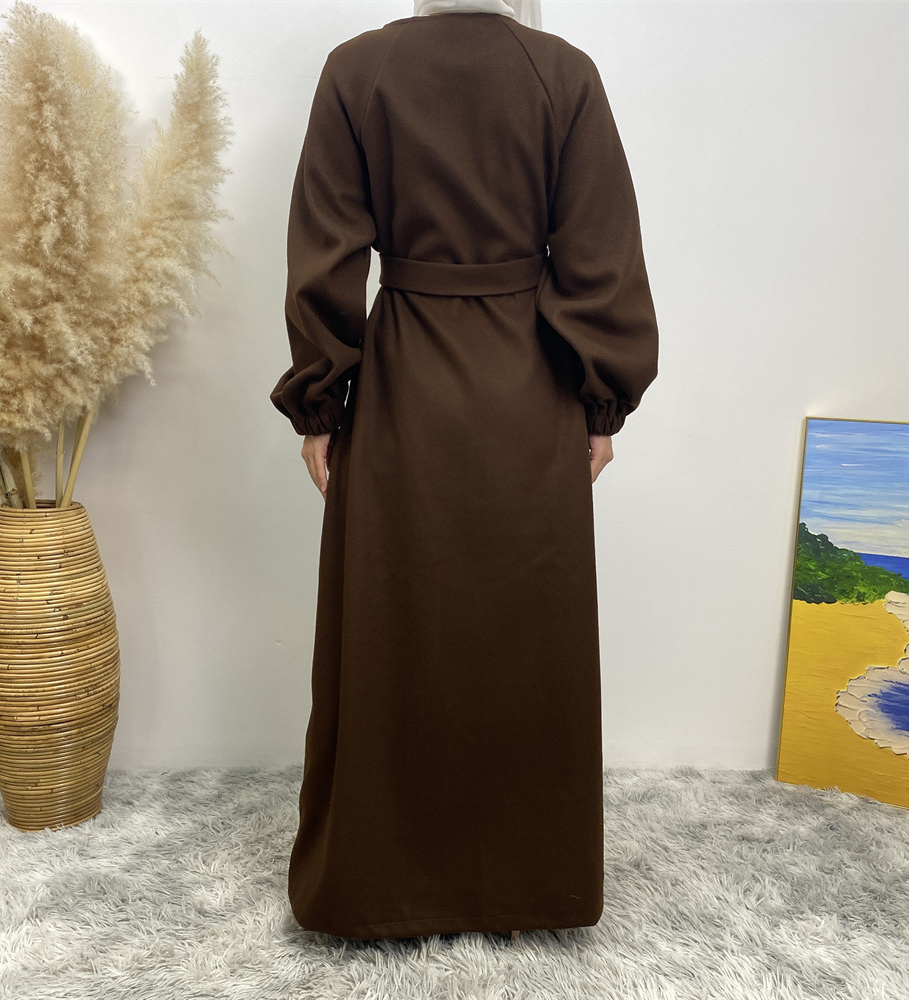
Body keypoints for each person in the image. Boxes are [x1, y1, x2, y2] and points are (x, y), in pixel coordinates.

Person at [269, 0, 658, 941]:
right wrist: (599, 401)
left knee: (394, 627)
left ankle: (379, 885)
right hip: (529, 389)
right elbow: (601, 254)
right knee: (526, 635)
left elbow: (326, 255)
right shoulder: (563, 74)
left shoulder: (356, 69)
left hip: (403, 383)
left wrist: (322, 402)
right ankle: (534, 882)